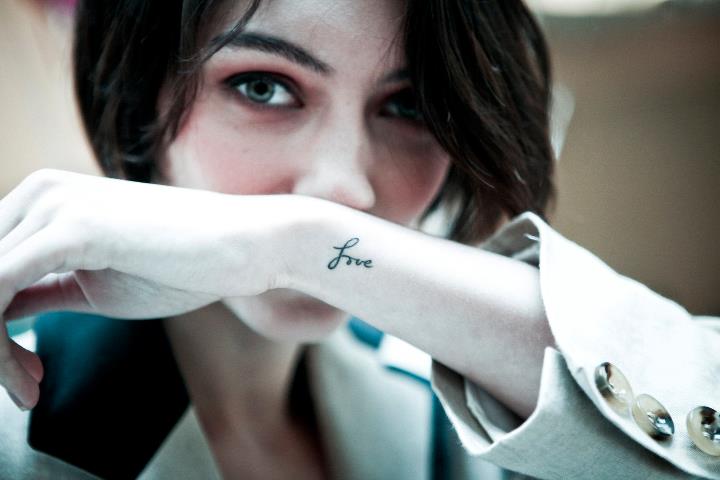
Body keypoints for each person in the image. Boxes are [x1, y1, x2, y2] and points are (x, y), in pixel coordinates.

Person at [0, 0, 718, 478]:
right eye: (262, 86)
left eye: (408, 105)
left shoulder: (460, 431)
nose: (346, 192)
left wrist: (299, 243)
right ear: (138, 102)